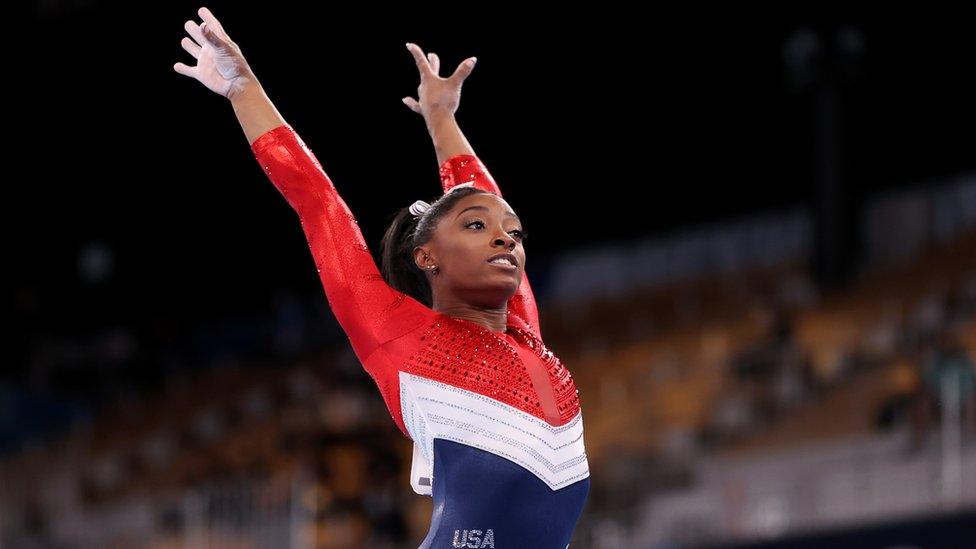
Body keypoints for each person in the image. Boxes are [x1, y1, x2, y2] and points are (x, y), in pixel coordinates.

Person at [173, 8, 590, 548]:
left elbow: (486, 196)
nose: (506, 239)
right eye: (478, 227)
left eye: (514, 231)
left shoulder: (524, 333)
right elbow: (318, 204)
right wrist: (243, 88)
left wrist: (441, 120)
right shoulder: (399, 336)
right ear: (427, 257)